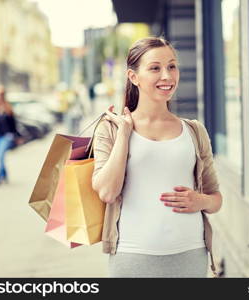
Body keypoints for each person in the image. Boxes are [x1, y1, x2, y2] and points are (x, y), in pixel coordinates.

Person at [91, 37, 223, 278]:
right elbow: (107, 192)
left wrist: (199, 201)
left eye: (172, 66)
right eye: (155, 68)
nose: (167, 76)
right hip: (131, 256)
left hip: (191, 254)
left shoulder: (194, 131)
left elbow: (216, 199)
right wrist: (124, 134)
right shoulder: (110, 129)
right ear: (133, 77)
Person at [0, 86, 22, 185]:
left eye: (0, 95)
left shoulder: (8, 108)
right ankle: (4, 173)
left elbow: (13, 124)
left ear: (3, 95)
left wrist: (18, 136)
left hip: (6, 136)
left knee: (0, 155)